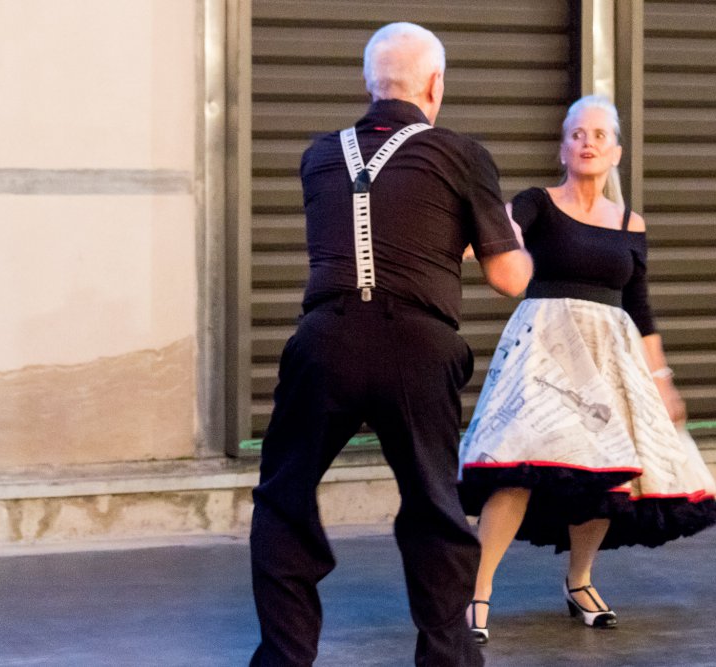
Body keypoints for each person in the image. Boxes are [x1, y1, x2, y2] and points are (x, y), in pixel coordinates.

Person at [249, 22, 533, 666]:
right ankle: (447, 659)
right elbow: (509, 277)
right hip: (417, 345)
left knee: (282, 498)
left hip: (324, 341)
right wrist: (504, 229)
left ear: (368, 84)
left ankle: (284, 659)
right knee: (434, 506)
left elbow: (368, 226)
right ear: (436, 84)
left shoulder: (319, 155)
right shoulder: (461, 153)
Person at [457, 95, 716, 643]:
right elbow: (494, 236)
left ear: (616, 152)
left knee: (604, 476)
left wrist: (662, 381)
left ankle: (579, 582)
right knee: (516, 466)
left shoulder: (630, 223)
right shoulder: (537, 203)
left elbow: (640, 307)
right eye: (578, 133)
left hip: (611, 361)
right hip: (544, 355)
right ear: (563, 147)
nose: (588, 142)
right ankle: (475, 592)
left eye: (600, 134)